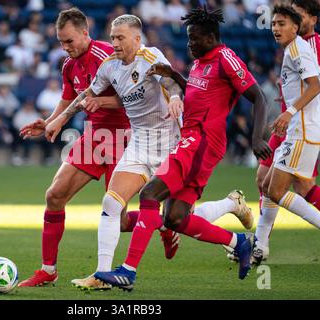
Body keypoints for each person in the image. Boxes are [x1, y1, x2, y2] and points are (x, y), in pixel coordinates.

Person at [42, 13, 256, 291]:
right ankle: (102, 275)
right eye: (112, 38)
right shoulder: (108, 66)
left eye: (120, 38)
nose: (115, 43)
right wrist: (60, 119)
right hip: (140, 143)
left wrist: (176, 98)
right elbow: (86, 96)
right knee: (112, 204)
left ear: (136, 38)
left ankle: (230, 213)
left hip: (171, 143)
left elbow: (169, 82)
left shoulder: (150, 55)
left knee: (178, 218)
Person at [93, 7, 272, 291]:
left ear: (211, 37)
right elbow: (199, 96)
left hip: (199, 142)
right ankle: (238, 242)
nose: (189, 45)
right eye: (188, 40)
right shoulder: (200, 62)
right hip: (193, 141)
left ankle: (127, 271)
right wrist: (176, 76)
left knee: (150, 192)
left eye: (194, 39)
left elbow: (259, 97)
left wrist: (257, 137)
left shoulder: (226, 59)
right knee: (175, 219)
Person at [17, 8, 165, 290]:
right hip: (95, 137)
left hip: (125, 137)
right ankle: (48, 270)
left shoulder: (108, 55)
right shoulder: (68, 65)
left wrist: (100, 104)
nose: (65, 47)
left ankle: (162, 223)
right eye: (61, 42)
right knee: (54, 195)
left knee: (119, 219)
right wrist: (51, 121)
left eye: (70, 41)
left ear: (85, 33)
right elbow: (70, 98)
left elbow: (137, 96)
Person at [252, 1, 320, 265]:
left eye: (282, 24)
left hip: (302, 129)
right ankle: (260, 244)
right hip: (296, 128)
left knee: (281, 189)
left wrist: (289, 112)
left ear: (297, 26)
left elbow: (314, 86)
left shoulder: (300, 50)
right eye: (274, 24)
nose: (275, 29)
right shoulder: (292, 48)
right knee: (268, 186)